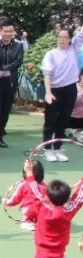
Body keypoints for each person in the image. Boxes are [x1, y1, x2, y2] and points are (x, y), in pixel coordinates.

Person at [40, 26, 83, 162]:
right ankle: (47, 149)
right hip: (54, 90)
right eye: (60, 37)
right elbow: (47, 75)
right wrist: (48, 93)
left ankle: (57, 148)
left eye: (65, 37)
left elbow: (80, 36)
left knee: (63, 120)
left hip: (70, 89)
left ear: (70, 39)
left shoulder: (74, 50)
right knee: (50, 120)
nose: (62, 39)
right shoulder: (51, 54)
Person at [0, 18, 23, 147]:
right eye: (5, 31)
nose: (8, 34)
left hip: (10, 83)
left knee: (5, 111)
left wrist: (3, 70)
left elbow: (18, 62)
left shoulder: (19, 45)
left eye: (11, 31)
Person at [3, 159, 46, 232]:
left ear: (25, 173)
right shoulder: (45, 185)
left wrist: (6, 201)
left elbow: (15, 200)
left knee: (27, 209)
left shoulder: (23, 185)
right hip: (43, 211)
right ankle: (40, 222)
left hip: (29, 211)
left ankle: (29, 222)